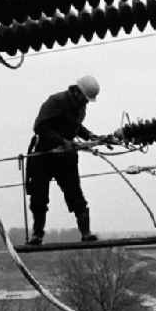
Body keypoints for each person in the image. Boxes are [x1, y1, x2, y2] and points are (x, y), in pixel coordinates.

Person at [25, 75, 105, 245]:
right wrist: (62, 142)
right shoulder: (56, 101)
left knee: (75, 193)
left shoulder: (80, 107)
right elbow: (40, 126)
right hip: (43, 155)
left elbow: (75, 126)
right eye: (85, 98)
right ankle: (37, 234)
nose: (86, 102)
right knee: (39, 196)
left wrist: (89, 136)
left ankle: (86, 232)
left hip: (66, 158)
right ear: (77, 92)